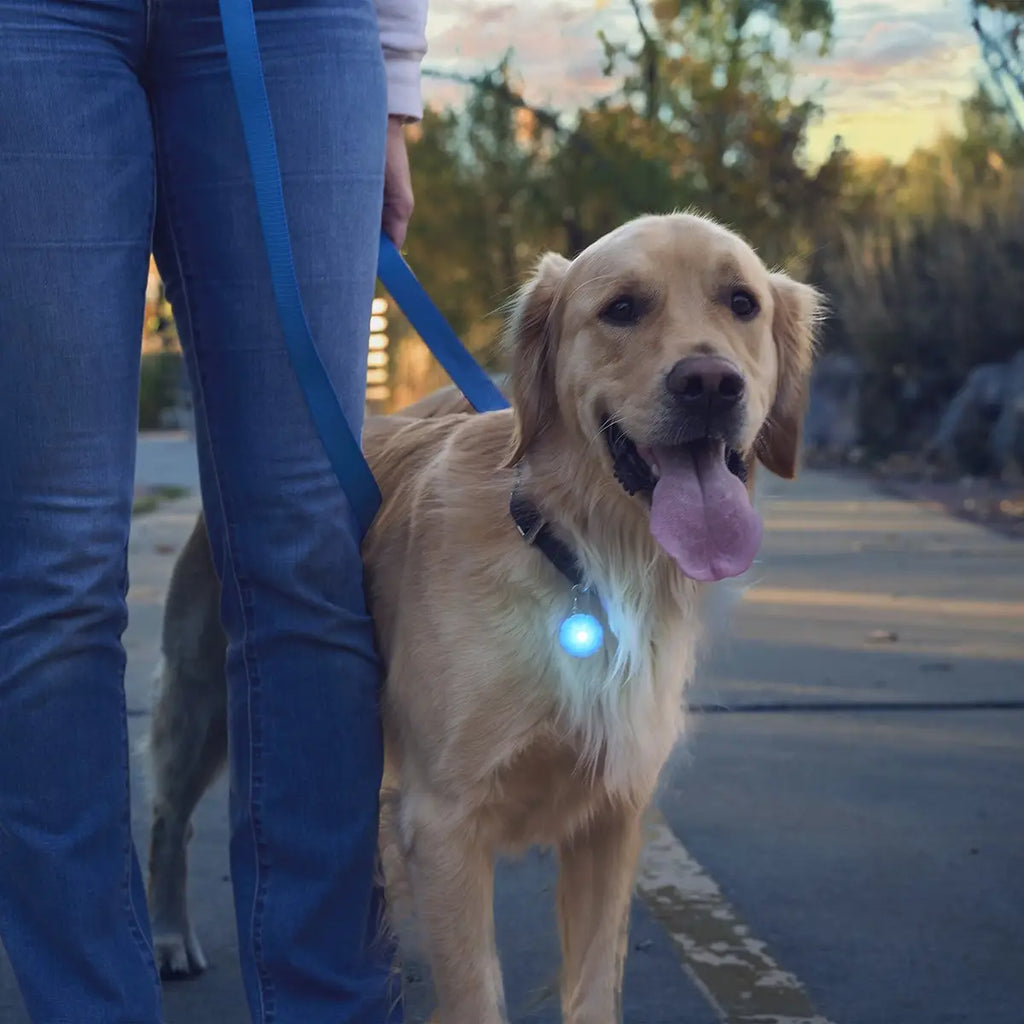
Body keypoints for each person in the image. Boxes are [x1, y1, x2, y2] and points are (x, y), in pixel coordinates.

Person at [0, 0, 428, 1020]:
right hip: (34, 27)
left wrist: (394, 89)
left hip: (294, 24)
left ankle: (327, 1001)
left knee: (308, 549)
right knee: (54, 565)